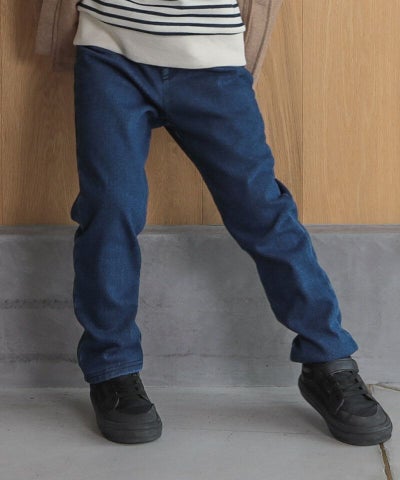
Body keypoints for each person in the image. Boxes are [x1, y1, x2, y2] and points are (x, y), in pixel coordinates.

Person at [69, 0, 392, 446]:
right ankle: (112, 369)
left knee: (262, 211)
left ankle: (328, 359)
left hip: (213, 60)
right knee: (110, 208)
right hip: (110, 52)